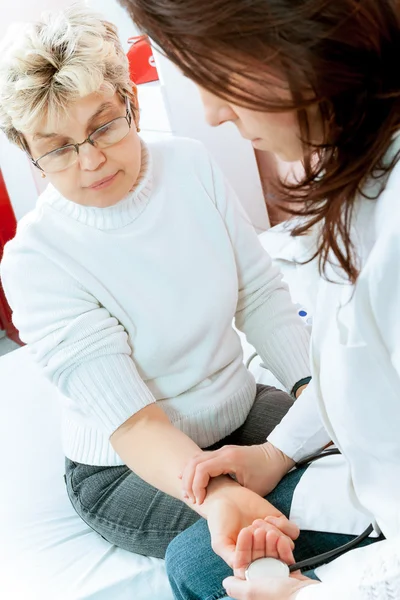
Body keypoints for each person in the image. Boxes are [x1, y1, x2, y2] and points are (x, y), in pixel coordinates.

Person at [0, 4, 311, 563]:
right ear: (31, 154)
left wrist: (315, 392)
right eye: (57, 147)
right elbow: (133, 421)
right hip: (130, 468)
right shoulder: (35, 261)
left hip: (239, 413)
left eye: (103, 125)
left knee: (362, 448)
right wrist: (218, 496)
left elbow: (260, 295)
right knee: (280, 523)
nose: (90, 160)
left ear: (131, 103)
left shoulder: (190, 165)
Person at [120, 0, 400, 598]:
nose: (212, 112)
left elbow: (267, 301)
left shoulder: (188, 168)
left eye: (214, 75)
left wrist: (307, 597)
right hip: (359, 466)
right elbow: (355, 361)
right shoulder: (356, 168)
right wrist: (275, 452)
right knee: (200, 561)